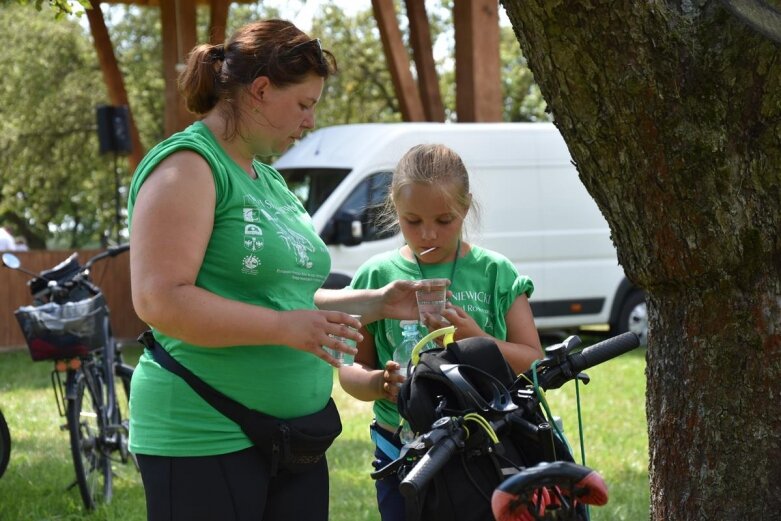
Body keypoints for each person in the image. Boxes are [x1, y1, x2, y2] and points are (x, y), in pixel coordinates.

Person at [127, 19, 422, 521]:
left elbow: (284, 302)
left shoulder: (267, 178)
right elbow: (160, 300)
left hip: (294, 441)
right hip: (205, 435)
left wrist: (375, 303)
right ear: (260, 90)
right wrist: (284, 329)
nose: (308, 123)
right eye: (304, 105)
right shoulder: (189, 166)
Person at [338, 143, 544, 521]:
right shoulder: (376, 277)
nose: (428, 234)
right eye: (412, 221)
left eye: (444, 220)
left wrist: (475, 340)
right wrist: (377, 384)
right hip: (402, 448)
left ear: (465, 207)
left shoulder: (495, 273)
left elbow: (534, 362)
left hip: (488, 447)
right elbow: (351, 368)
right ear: (395, 210)